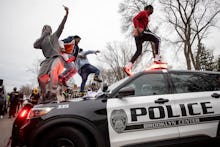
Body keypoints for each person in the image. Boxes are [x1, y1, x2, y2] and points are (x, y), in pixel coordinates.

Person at [33, 6, 69, 102]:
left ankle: (53, 93)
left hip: (57, 58)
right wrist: (43, 35)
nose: (45, 29)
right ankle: (44, 94)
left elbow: (61, 27)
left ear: (50, 30)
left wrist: (66, 15)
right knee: (40, 77)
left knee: (53, 70)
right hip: (47, 60)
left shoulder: (54, 36)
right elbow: (35, 45)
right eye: (43, 28)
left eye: (47, 28)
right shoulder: (41, 41)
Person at [124, 5, 161, 76]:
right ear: (149, 9)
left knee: (139, 51)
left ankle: (128, 66)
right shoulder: (144, 13)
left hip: (139, 35)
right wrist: (137, 28)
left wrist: (149, 32)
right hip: (141, 32)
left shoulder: (146, 17)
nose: (153, 11)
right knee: (158, 39)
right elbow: (135, 19)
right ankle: (157, 59)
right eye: (152, 9)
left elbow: (146, 28)